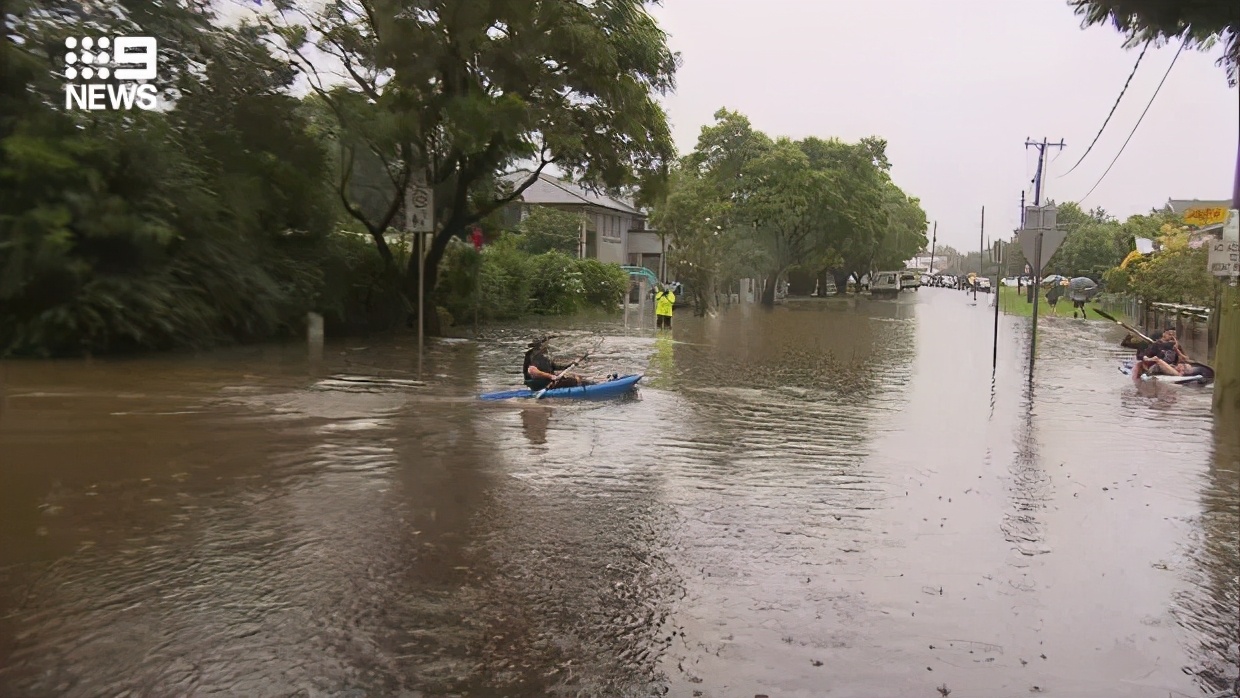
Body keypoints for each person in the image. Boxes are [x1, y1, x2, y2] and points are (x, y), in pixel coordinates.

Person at [523, 338, 593, 391]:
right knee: (574, 380)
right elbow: (532, 370)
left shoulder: (544, 355)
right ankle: (589, 387)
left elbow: (555, 366)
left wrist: (571, 364)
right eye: (545, 343)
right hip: (540, 383)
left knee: (577, 377)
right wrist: (550, 376)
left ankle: (591, 384)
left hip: (547, 381)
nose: (547, 345)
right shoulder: (534, 355)